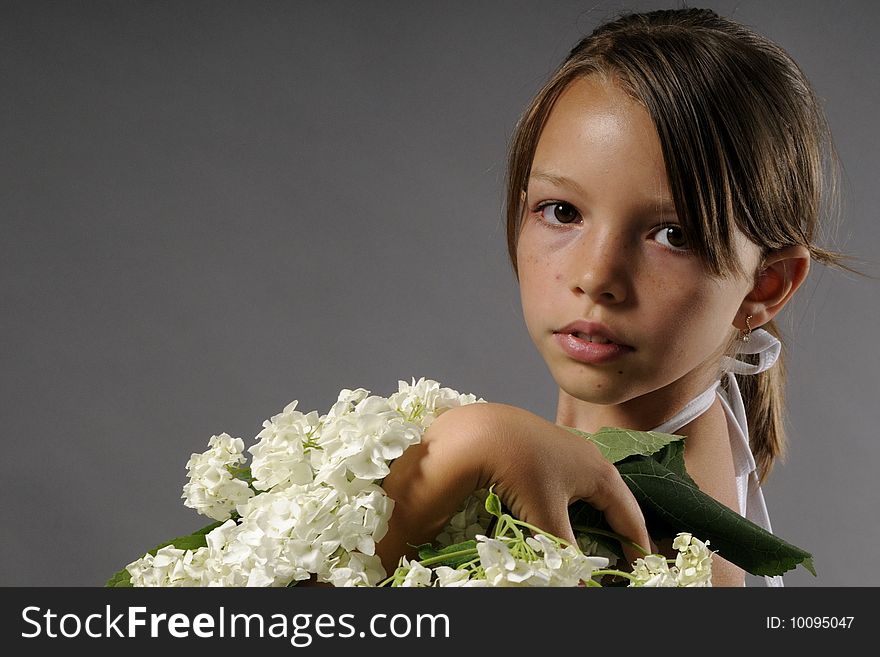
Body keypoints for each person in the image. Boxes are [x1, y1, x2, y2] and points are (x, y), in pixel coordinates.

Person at [376, 7, 851, 587]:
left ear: (764, 284)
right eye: (562, 212)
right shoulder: (545, 464)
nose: (596, 275)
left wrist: (470, 444)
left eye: (673, 235)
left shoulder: (658, 562)